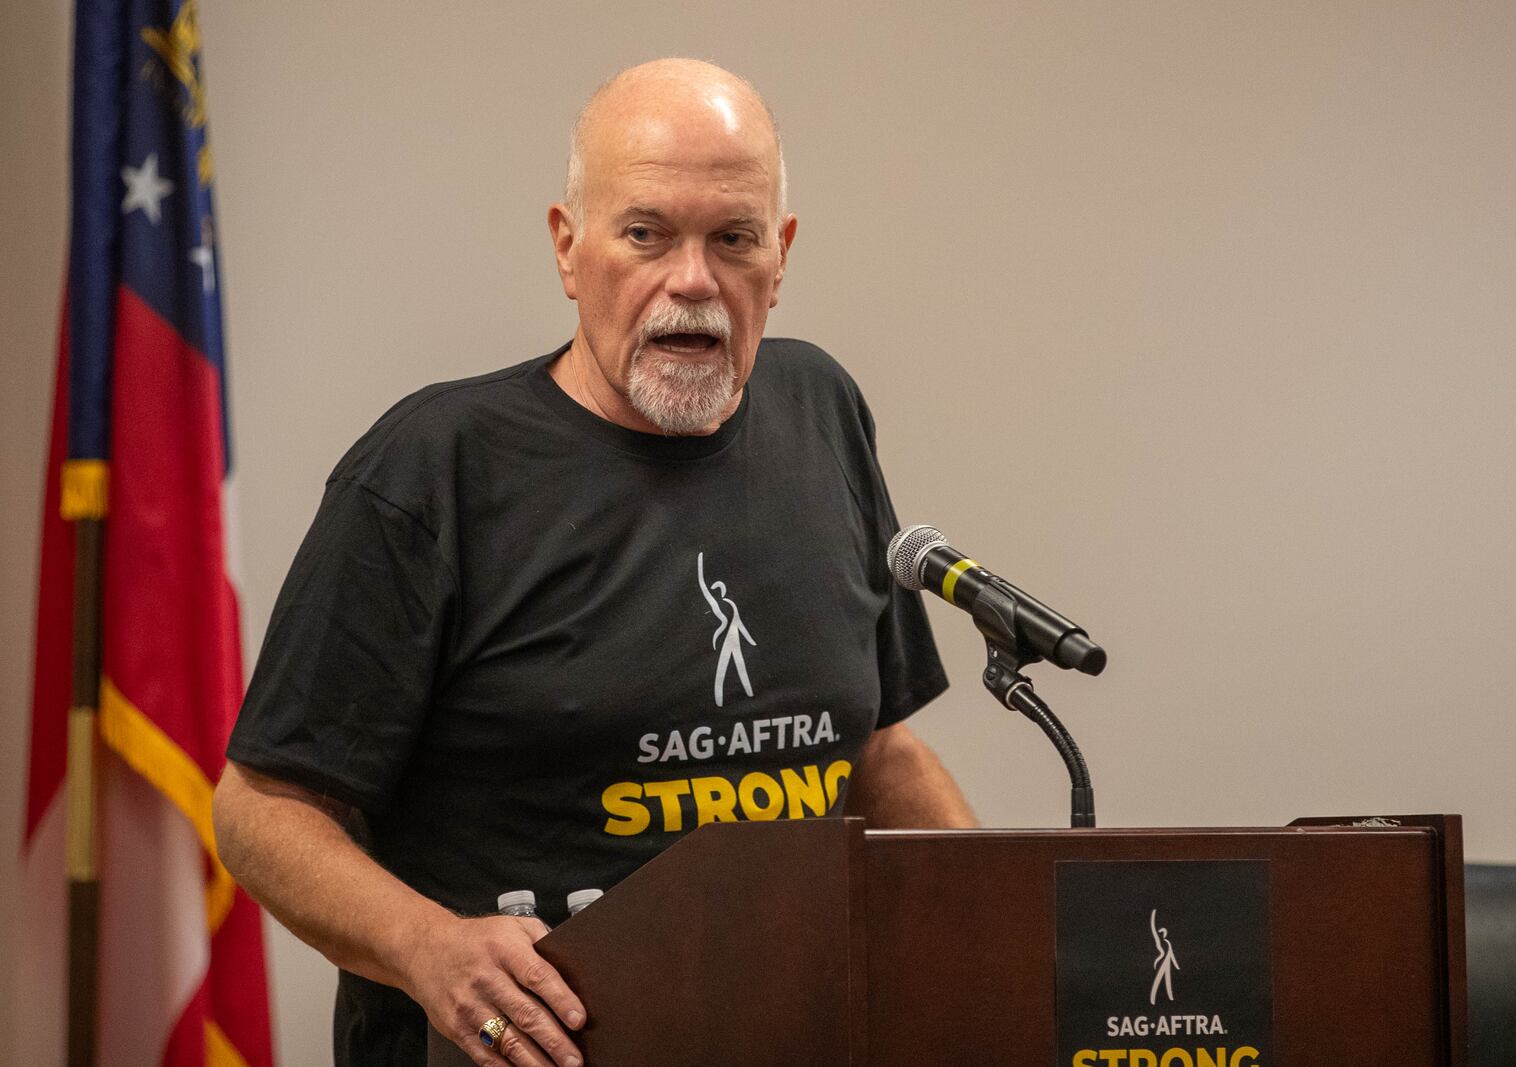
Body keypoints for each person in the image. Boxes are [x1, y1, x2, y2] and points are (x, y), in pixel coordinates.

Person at [214, 57, 975, 1067]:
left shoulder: (819, 411)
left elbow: (875, 747)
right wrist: (428, 946)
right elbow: (260, 811)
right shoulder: (435, 468)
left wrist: (993, 922)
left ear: (778, 257)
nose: (692, 281)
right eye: (645, 234)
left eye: (732, 238)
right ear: (569, 248)